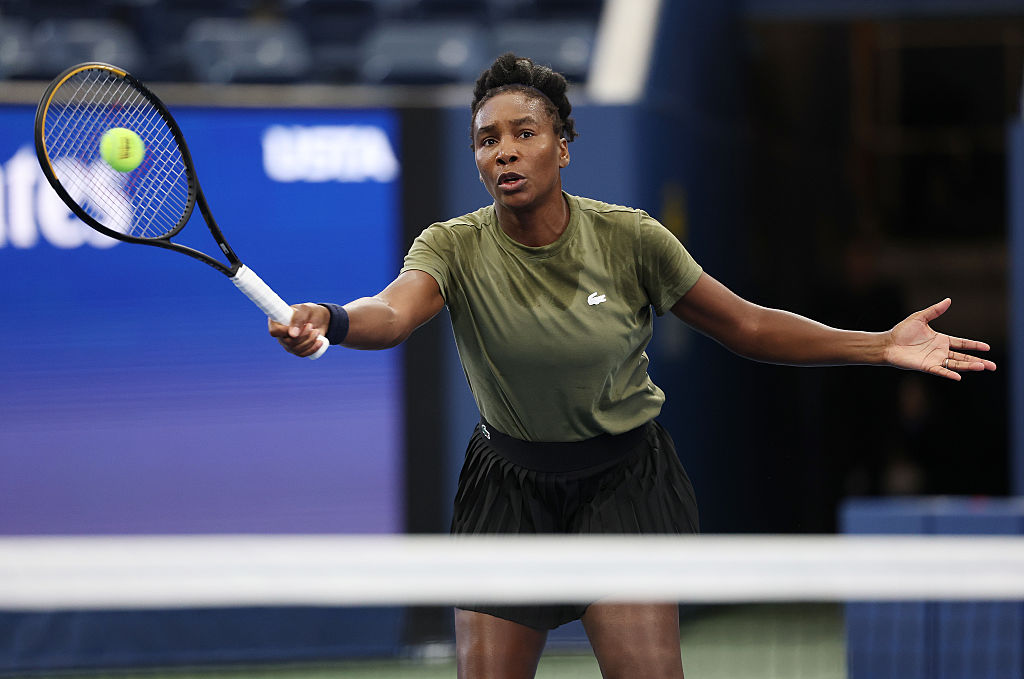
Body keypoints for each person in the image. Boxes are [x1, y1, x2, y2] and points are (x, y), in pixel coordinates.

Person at [269, 53, 997, 679]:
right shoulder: (452, 246)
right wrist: (332, 318)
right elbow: (392, 313)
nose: (505, 152)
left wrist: (879, 344)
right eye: (488, 140)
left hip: (623, 484)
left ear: (562, 146)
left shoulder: (631, 239)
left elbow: (745, 324)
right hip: (507, 489)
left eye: (525, 133)